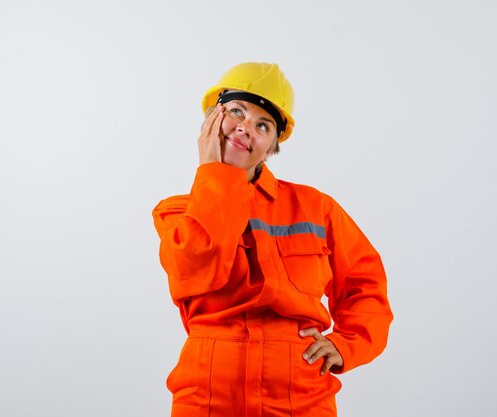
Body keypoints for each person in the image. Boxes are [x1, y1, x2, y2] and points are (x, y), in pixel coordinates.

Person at [152, 62, 393, 417]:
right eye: (236, 111)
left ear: (271, 147)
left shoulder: (315, 208)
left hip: (300, 396)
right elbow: (198, 269)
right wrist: (215, 174)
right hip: (207, 395)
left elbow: (365, 284)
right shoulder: (176, 212)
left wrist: (347, 343)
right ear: (210, 121)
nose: (245, 128)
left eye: (262, 125)